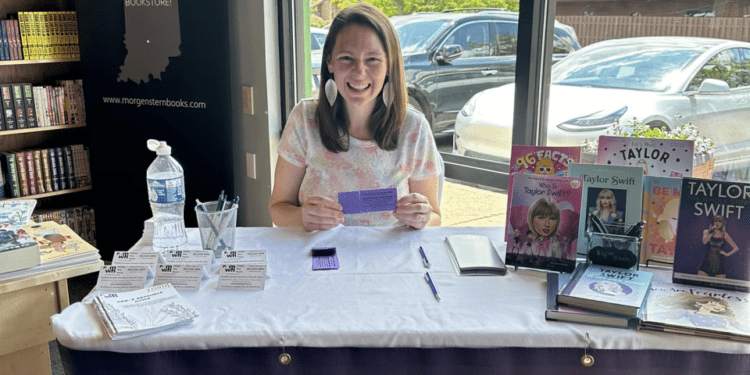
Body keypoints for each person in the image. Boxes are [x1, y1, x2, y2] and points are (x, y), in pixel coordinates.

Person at [268, 4, 442, 232]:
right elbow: (278, 209)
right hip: (320, 257)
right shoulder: (305, 120)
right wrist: (301, 216)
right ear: (330, 62)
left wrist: (423, 217)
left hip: (390, 260)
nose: (359, 71)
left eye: (372, 59)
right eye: (347, 58)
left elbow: (435, 217)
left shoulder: (414, 128)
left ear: (389, 64)